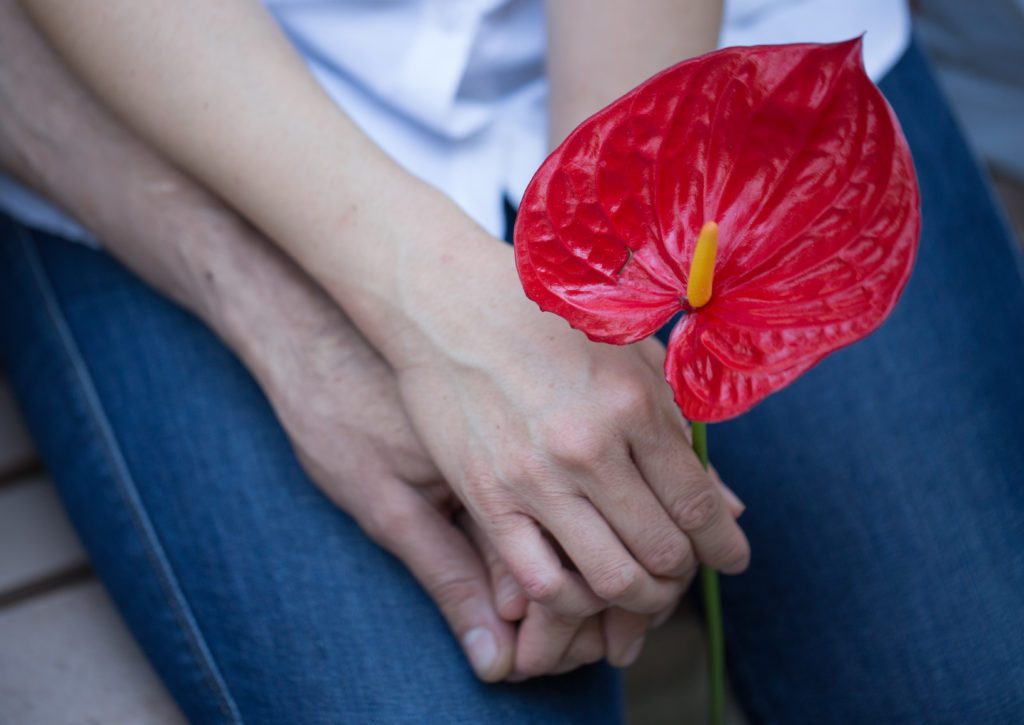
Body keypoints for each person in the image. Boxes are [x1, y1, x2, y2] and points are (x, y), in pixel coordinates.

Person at [1, 1, 1021, 723]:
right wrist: (318, 321)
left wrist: (601, 298)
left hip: (708, 51)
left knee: (977, 686)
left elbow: (600, 322)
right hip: (183, 120)